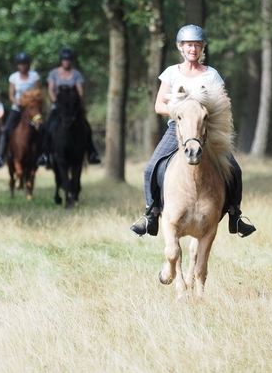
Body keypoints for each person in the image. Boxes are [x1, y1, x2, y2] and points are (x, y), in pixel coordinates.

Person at [130, 24, 256, 238]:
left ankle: (235, 214)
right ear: (181, 47)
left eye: (197, 45)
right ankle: (150, 214)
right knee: (150, 168)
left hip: (207, 130)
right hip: (177, 129)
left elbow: (223, 104)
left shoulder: (212, 75)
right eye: (189, 45)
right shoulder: (171, 73)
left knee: (234, 169)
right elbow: (159, 106)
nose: (193, 49)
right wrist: (181, 112)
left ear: (202, 48)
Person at [36, 47, 101, 168]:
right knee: (48, 127)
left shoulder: (77, 74)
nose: (66, 62)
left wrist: (75, 102)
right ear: (61, 60)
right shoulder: (53, 74)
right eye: (64, 59)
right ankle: (44, 154)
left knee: (86, 127)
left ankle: (91, 153)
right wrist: (57, 102)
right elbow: (51, 90)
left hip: (73, 109)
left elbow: (80, 91)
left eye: (69, 60)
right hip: (58, 108)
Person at [0, 53, 40, 169]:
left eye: (24, 64)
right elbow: (11, 96)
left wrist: (31, 104)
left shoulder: (34, 76)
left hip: (31, 110)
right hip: (18, 109)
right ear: (18, 65)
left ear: (27, 64)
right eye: (20, 64)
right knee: (6, 130)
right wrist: (19, 104)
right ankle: (0, 156)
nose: (23, 66)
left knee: (42, 128)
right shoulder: (14, 77)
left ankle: (43, 155)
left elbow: (38, 93)